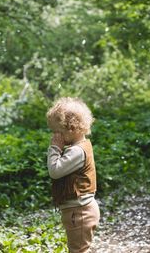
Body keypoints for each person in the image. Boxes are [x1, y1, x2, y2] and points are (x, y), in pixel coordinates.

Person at [46, 97, 100, 253]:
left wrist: (54, 148)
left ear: (71, 128)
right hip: (77, 211)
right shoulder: (79, 146)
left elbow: (55, 171)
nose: (55, 136)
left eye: (58, 132)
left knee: (78, 251)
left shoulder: (77, 151)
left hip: (80, 212)